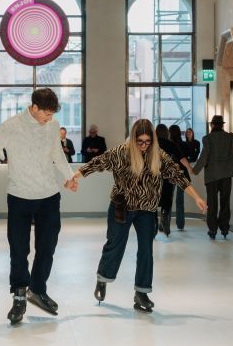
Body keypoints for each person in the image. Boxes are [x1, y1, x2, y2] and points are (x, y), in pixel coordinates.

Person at [0, 88, 77, 325]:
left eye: (52, 114)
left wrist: (69, 177)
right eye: (46, 113)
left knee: (47, 247)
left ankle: (37, 289)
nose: (49, 118)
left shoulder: (52, 126)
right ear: (34, 107)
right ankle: (19, 295)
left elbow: (57, 154)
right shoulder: (11, 126)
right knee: (19, 249)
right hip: (19, 197)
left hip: (49, 196)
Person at [71, 119, 207, 312]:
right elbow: (96, 163)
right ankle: (103, 278)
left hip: (147, 209)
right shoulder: (121, 152)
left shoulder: (158, 156)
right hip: (122, 206)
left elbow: (178, 175)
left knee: (146, 250)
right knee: (115, 244)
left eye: (148, 142)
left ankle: (141, 292)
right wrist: (74, 176)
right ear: (133, 139)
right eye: (140, 141)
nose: (144, 146)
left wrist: (197, 197)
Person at [193, 115, 233, 240]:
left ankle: (212, 230)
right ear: (222, 125)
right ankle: (224, 228)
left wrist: (195, 170)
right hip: (226, 175)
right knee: (225, 202)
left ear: (212, 125)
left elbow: (204, 156)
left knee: (212, 204)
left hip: (212, 176)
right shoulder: (229, 137)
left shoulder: (207, 138)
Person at [154, 124, 193, 237]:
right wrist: (190, 168)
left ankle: (154, 225)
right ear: (166, 133)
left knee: (154, 200)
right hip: (169, 176)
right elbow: (182, 158)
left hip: (154, 176)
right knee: (169, 199)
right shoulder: (171, 144)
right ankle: (166, 218)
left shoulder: (152, 144)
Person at [168, 124, 192, 231]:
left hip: (170, 174)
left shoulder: (168, 145)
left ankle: (165, 224)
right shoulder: (185, 145)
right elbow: (189, 158)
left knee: (168, 200)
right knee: (180, 200)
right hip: (182, 174)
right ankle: (180, 224)